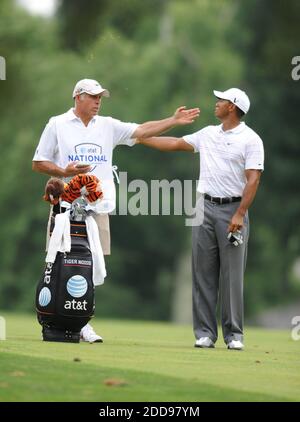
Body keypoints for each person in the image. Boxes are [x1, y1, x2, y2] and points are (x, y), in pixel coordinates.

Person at [32, 78, 200, 343]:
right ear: (78, 97)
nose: (99, 101)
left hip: (98, 206)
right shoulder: (57, 124)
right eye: (94, 96)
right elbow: (39, 162)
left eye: (101, 97)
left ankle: (83, 322)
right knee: (60, 261)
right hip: (65, 205)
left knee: (94, 263)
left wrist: (173, 120)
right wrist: (63, 171)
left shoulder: (108, 126)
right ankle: (57, 316)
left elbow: (143, 131)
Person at [137, 88, 264, 350]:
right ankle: (205, 333)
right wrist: (140, 137)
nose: (216, 103)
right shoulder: (208, 134)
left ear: (232, 106)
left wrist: (240, 213)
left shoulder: (251, 140)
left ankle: (234, 335)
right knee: (203, 273)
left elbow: (254, 179)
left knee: (232, 275)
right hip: (203, 208)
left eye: (221, 100)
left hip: (233, 210)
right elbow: (174, 144)